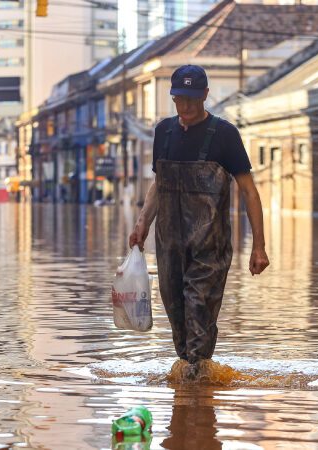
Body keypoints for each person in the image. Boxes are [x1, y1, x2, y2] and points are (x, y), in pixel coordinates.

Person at [128, 65, 270, 379]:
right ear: (173, 98)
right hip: (169, 245)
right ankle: (190, 397)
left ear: (205, 95)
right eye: (180, 99)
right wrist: (142, 223)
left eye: (193, 99)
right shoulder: (164, 132)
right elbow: (158, 183)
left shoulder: (224, 135)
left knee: (199, 311)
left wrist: (258, 247)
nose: (187, 106)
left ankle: (198, 396)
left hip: (210, 247)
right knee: (178, 319)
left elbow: (248, 189)